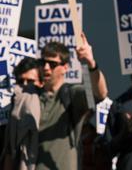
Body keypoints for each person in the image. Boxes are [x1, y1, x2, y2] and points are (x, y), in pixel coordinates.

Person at [4, 33, 108, 170]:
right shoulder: (27, 98)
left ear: (65, 68)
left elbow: (100, 94)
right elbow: (11, 149)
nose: (46, 68)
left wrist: (90, 63)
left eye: (52, 64)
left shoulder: (71, 93)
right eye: (42, 63)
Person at [1, 57, 44, 169]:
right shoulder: (14, 105)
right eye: (20, 82)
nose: (25, 86)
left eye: (30, 82)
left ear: (41, 83)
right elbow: (9, 150)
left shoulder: (48, 107)